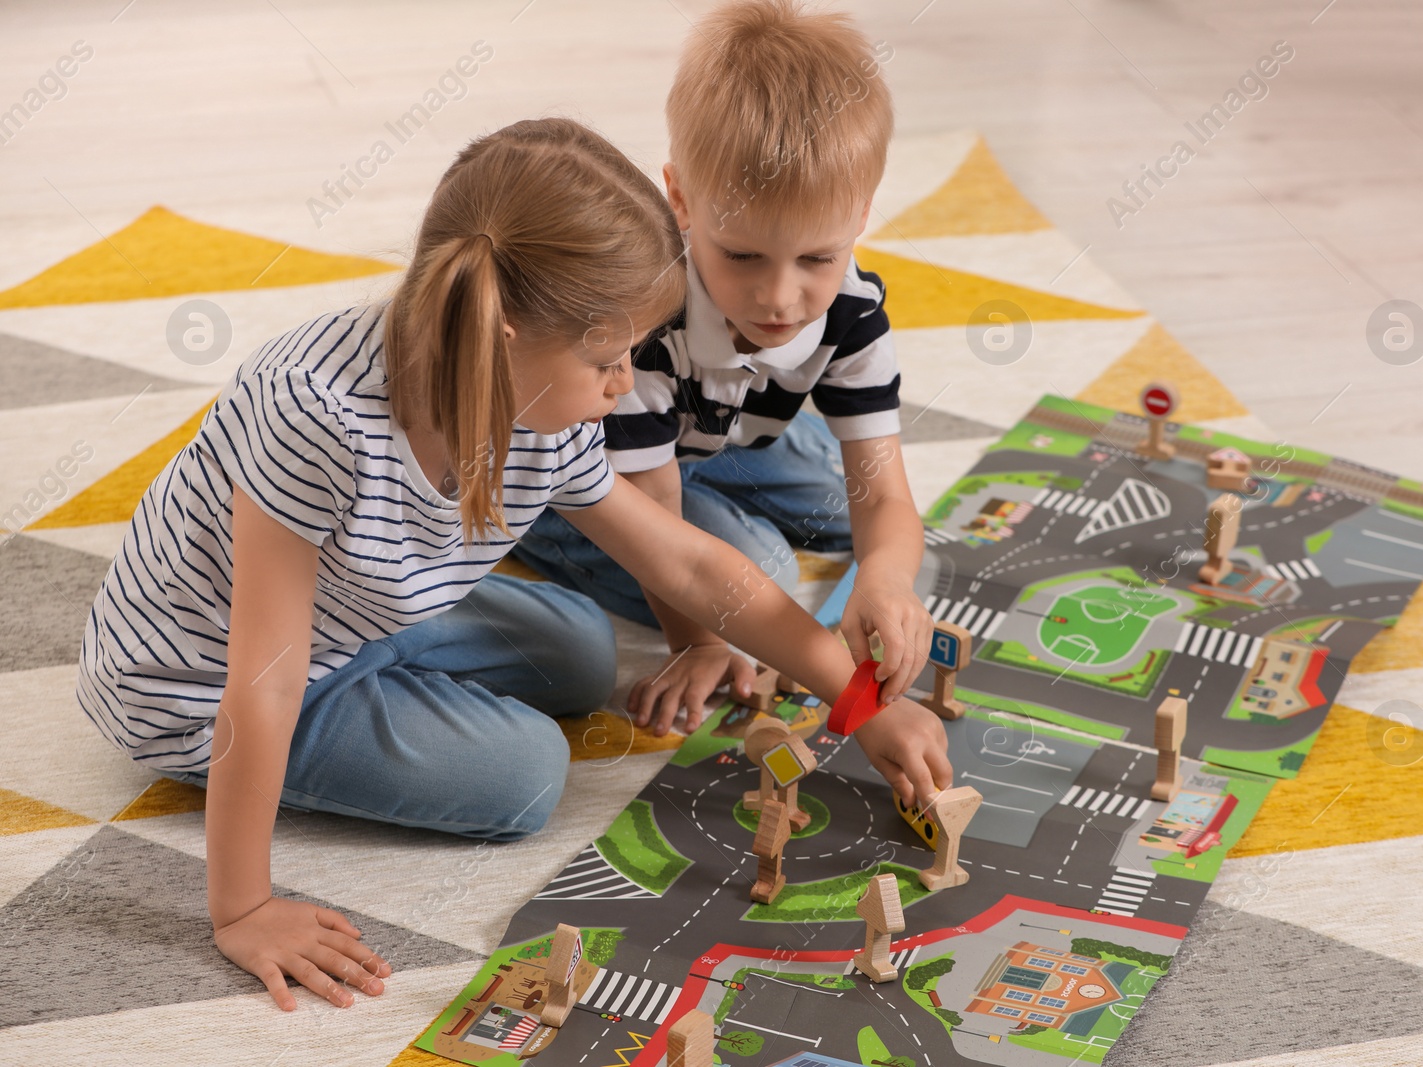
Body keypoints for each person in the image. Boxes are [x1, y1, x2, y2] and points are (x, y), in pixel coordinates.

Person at [75, 118, 950, 1012]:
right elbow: (264, 677)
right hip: (197, 680)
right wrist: (243, 907)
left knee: (582, 652)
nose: (624, 387)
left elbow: (691, 570)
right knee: (526, 774)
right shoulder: (319, 419)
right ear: (504, 334)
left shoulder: (544, 405)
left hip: (366, 610)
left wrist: (862, 702)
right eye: (609, 360)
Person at [512, 0, 933, 736]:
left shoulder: (854, 308)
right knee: (760, 572)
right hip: (610, 470)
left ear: (861, 215)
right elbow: (664, 532)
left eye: (816, 257)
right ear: (679, 200)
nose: (779, 297)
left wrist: (886, 578)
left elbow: (885, 493)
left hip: (713, 437)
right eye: (741, 255)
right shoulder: (641, 321)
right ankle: (532, 527)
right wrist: (700, 642)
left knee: (842, 506)